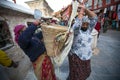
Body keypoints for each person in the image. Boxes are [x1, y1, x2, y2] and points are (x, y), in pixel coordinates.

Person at [68, 3, 97, 80]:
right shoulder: (77, 31)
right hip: (76, 56)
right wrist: (81, 11)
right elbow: (77, 25)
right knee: (76, 76)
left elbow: (94, 18)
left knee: (85, 73)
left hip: (86, 57)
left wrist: (85, 9)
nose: (84, 26)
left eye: (86, 24)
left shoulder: (89, 30)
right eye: (83, 24)